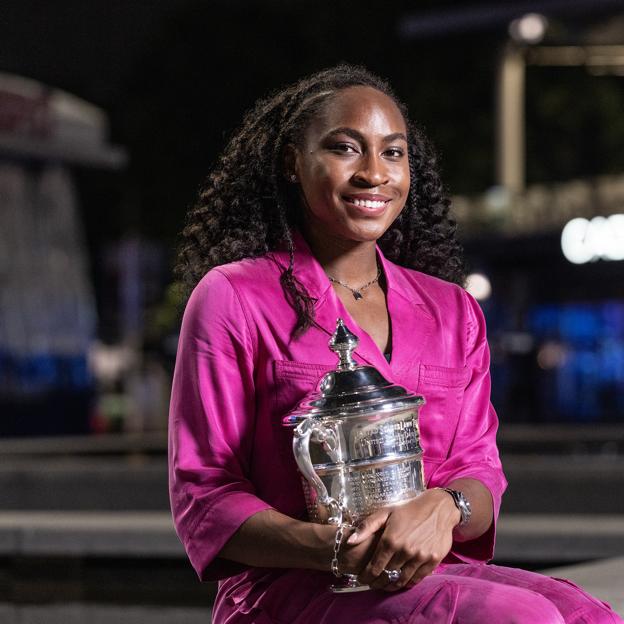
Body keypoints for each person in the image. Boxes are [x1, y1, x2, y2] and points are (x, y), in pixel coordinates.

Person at [169, 65, 622, 623]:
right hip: (292, 590)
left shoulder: (453, 311)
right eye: (345, 148)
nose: (373, 174)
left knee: (589, 615)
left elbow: (480, 474)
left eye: (393, 153)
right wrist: (339, 548)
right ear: (292, 162)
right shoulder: (233, 297)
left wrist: (443, 507)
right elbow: (205, 494)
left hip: (432, 577)